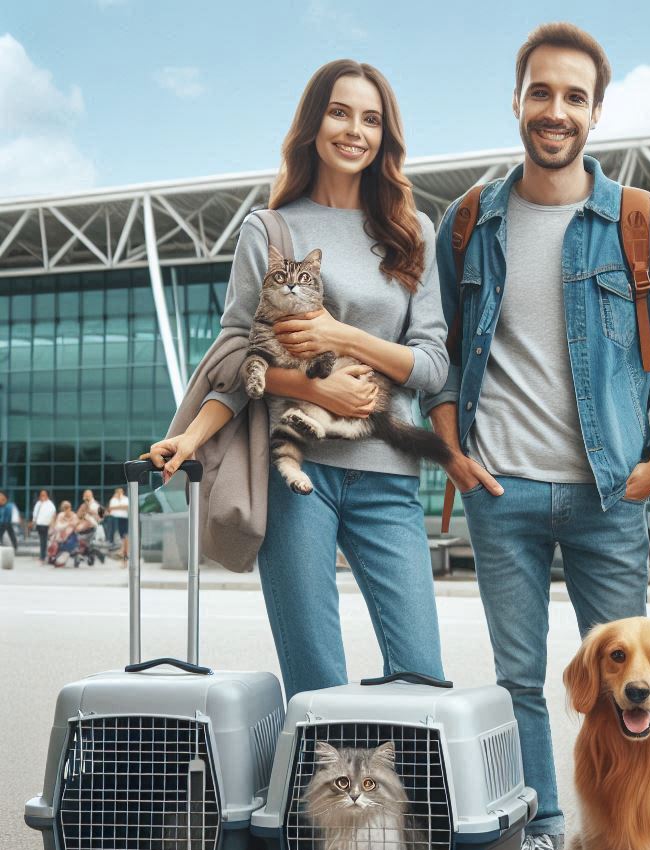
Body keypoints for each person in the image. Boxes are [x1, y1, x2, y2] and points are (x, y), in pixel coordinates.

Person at [422, 23, 650, 850]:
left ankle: (621, 834)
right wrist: (452, 450)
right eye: (541, 92)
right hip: (499, 486)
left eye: (573, 96)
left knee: (630, 693)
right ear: (517, 101)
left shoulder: (639, 223)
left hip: (609, 491)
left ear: (596, 111)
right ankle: (544, 826)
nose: (555, 110)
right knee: (517, 677)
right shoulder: (468, 222)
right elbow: (440, 345)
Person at [147, 60, 450, 700]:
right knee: (315, 683)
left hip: (387, 475)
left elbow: (430, 365)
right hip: (296, 478)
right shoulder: (271, 229)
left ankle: (405, 802)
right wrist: (190, 438)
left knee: (422, 675)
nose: (354, 131)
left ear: (386, 137)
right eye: (340, 113)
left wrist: (343, 338)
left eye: (372, 119)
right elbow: (233, 360)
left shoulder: (413, 232)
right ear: (313, 124)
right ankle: (320, 803)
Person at [29, 489, 57, 563]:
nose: (42, 496)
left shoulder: (50, 504)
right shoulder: (38, 503)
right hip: (39, 524)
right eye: (41, 494)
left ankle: (43, 557)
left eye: (44, 494)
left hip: (46, 525)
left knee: (44, 542)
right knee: (42, 541)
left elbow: (53, 514)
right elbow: (35, 514)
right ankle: (43, 556)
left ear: (47, 495)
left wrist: (52, 525)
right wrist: (33, 521)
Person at [107, 487, 130, 566]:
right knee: (119, 538)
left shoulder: (126, 499)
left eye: (120, 491)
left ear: (123, 491)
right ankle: (121, 553)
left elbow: (127, 507)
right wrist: (121, 506)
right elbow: (110, 509)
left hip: (124, 519)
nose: (119, 492)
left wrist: (117, 507)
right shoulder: (113, 500)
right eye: (118, 491)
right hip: (114, 519)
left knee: (125, 538)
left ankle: (124, 556)